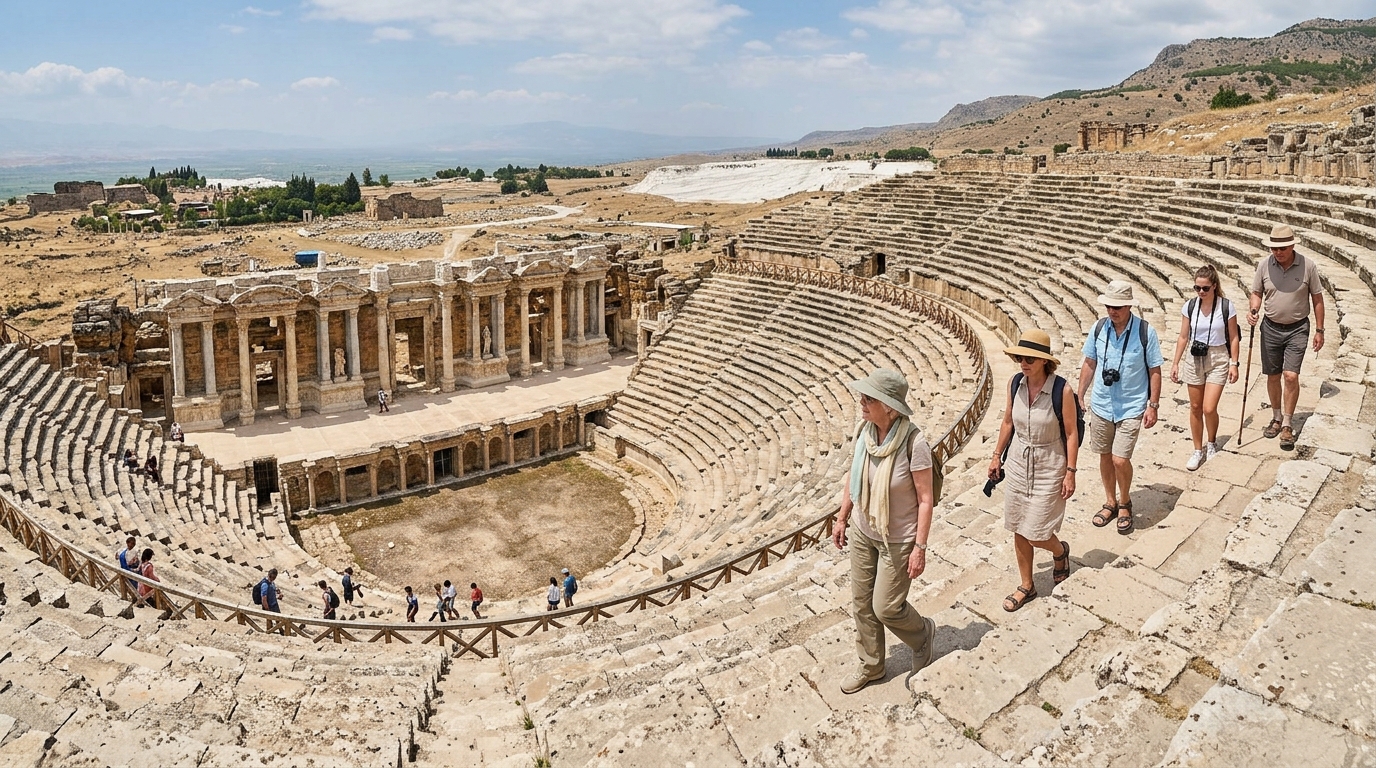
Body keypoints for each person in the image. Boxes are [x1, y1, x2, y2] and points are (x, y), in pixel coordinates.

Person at [830, 369, 937, 695]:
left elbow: (925, 498)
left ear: (890, 406)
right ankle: (871, 665)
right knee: (862, 604)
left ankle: (922, 635)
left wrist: (920, 547)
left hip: (899, 537)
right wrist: (842, 516)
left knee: (886, 607)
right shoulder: (866, 431)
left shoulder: (915, 443)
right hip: (864, 529)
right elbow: (855, 473)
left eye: (869, 399)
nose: (861, 403)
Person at [988, 330, 1079, 612]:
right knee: (1017, 525)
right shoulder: (1016, 383)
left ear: (1043, 362)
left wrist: (1071, 471)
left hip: (1049, 462)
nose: (1023, 363)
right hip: (1017, 461)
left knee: (1037, 531)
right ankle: (1026, 585)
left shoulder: (1061, 390)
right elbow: (1007, 422)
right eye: (1020, 358)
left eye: (1029, 359)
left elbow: (1072, 432)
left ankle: (1059, 551)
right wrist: (995, 456)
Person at [1078, 281, 1163, 535]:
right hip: (1102, 402)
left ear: (1128, 306)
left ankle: (1125, 501)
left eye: (1116, 306)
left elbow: (1154, 370)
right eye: (1108, 306)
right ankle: (1110, 501)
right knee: (1105, 455)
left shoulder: (1145, 332)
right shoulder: (1099, 328)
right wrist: (1080, 394)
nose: (1111, 311)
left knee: (1119, 458)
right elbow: (1090, 362)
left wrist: (1153, 405)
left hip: (1131, 404)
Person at [1248, 224, 1325, 451]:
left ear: (1292, 245)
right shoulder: (1264, 265)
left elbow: (1317, 299)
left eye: (1282, 248)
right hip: (1270, 327)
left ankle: (1288, 424)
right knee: (1273, 375)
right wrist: (1253, 308)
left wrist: (1320, 330)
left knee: (1290, 375)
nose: (1278, 252)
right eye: (1274, 248)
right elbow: (1256, 292)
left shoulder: (1307, 266)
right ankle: (1276, 417)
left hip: (1297, 328)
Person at [1171, 265, 1241, 470]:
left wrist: (1233, 363)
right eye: (1197, 288)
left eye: (1205, 288)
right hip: (1194, 356)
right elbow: (1183, 336)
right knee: (1194, 407)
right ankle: (1197, 449)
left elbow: (1234, 337)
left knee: (1209, 408)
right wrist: (1175, 362)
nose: (1201, 292)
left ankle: (1211, 443)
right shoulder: (1190, 306)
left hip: (1218, 356)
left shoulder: (1226, 306)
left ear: (1214, 286)